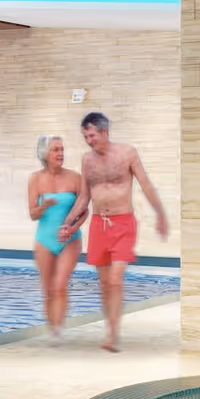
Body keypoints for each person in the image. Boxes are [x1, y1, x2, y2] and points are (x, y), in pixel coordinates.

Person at [61, 111, 168, 352]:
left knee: (115, 279)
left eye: (91, 135)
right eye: (85, 136)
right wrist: (68, 222)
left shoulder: (127, 153)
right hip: (99, 224)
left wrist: (160, 214)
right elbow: (84, 197)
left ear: (104, 132)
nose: (88, 141)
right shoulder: (87, 160)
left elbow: (146, 184)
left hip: (123, 223)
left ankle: (112, 332)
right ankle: (110, 327)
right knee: (104, 283)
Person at [28, 134, 86, 339]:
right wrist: (43, 205)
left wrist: (72, 227)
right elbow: (32, 214)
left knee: (59, 284)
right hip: (44, 239)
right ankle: (52, 329)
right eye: (56, 150)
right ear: (45, 154)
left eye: (62, 149)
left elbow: (84, 210)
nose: (60, 153)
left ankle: (59, 330)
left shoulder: (75, 178)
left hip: (70, 239)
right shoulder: (35, 179)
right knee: (47, 288)